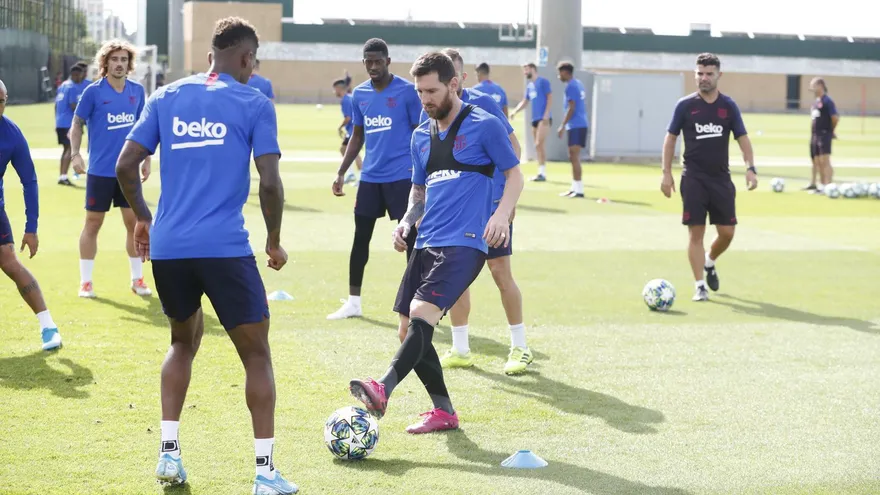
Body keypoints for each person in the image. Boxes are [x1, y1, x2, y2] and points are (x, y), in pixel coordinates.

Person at [116, 16, 297, 495]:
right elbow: (270, 182)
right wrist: (274, 240)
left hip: (170, 248)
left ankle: (168, 454)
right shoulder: (254, 102)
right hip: (224, 248)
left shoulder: (166, 97)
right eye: (253, 60)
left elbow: (125, 165)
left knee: (181, 344)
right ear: (246, 58)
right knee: (256, 353)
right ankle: (264, 473)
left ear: (209, 56)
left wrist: (143, 218)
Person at [348, 51, 523, 434]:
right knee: (406, 328)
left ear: (453, 84)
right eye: (419, 92)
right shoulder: (419, 136)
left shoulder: (484, 124)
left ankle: (383, 387)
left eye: (431, 91)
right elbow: (419, 191)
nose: (424, 99)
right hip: (427, 241)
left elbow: (514, 174)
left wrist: (501, 214)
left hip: (466, 242)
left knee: (422, 313)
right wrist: (406, 222)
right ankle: (444, 411)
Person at [420, 48, 530, 376]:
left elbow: (513, 151)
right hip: (455, 215)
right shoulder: (433, 111)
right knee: (457, 278)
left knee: (500, 272)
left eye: (454, 76)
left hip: (490, 208)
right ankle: (460, 348)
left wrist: (504, 206)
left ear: (460, 78)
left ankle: (520, 346)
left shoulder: (484, 106)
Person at [327, 38, 422, 320]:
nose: (373, 66)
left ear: (388, 61)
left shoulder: (407, 92)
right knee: (360, 239)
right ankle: (353, 302)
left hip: (402, 177)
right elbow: (357, 136)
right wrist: (341, 171)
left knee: (411, 238)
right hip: (370, 177)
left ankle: (416, 303)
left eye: (378, 61)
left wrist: (423, 173)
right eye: (368, 62)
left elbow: (420, 134)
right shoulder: (359, 95)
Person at [660, 53, 757, 302]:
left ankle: (709, 261)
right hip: (693, 178)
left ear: (718, 75)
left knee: (727, 232)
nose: (704, 78)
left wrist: (750, 168)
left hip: (721, 179)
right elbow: (670, 138)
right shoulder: (685, 106)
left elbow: (743, 138)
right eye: (700, 73)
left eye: (709, 74)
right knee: (696, 234)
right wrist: (666, 173)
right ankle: (699, 285)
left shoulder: (728, 106)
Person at [70, 39, 153, 299]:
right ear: (105, 63)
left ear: (129, 64)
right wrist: (75, 154)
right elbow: (76, 124)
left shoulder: (137, 91)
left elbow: (144, 128)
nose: (119, 64)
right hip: (100, 172)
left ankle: (137, 279)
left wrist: (147, 158)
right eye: (114, 59)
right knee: (93, 224)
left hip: (128, 172)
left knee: (134, 223)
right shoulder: (93, 92)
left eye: (123, 60)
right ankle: (86, 282)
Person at [0, 79, 62, 351]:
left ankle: (48, 327)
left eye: (1, 101)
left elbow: (29, 180)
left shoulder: (12, 135)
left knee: (10, 263)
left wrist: (31, 227)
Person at [509, 62, 552, 181]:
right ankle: (540, 172)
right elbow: (525, 101)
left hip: (543, 118)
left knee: (539, 144)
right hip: (535, 119)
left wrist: (546, 114)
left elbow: (549, 97)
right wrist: (515, 111)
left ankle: (542, 172)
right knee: (537, 146)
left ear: (533, 69)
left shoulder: (543, 82)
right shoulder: (530, 86)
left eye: (526, 69)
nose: (525, 72)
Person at [555, 61, 589, 198]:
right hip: (579, 124)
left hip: (576, 124)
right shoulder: (578, 83)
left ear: (565, 72)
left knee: (574, 156)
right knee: (572, 156)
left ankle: (579, 189)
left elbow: (572, 107)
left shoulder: (571, 86)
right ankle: (574, 187)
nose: (559, 76)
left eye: (560, 73)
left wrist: (562, 125)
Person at [804, 77, 839, 193]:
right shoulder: (816, 102)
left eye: (813, 86)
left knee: (825, 161)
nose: (811, 89)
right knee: (817, 161)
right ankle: (820, 185)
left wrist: (831, 130)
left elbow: (835, 117)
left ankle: (828, 185)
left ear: (820, 86)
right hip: (815, 135)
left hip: (824, 134)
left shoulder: (827, 101)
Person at [54, 64, 86, 186]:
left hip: (60, 122)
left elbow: (56, 105)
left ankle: (63, 175)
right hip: (68, 123)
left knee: (66, 148)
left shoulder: (62, 86)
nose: (80, 78)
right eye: (79, 75)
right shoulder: (72, 87)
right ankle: (63, 176)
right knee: (70, 148)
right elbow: (74, 106)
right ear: (75, 74)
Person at [332, 78, 362, 185]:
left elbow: (348, 117)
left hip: (354, 130)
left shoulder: (345, 100)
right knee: (344, 149)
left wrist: (340, 127)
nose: (334, 92)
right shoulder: (350, 97)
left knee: (354, 153)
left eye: (335, 89)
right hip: (354, 130)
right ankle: (350, 173)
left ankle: (362, 178)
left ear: (339, 89)